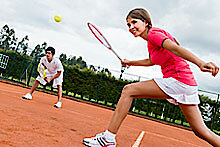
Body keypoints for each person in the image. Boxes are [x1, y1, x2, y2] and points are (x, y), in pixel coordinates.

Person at [83, 8, 220, 147]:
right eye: (128, 25)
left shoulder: (154, 34)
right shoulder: (151, 41)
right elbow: (152, 61)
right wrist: (131, 62)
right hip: (186, 84)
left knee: (128, 90)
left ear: (146, 22)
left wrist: (200, 63)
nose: (131, 27)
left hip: (178, 80)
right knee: (201, 131)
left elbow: (176, 49)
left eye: (134, 22)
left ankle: (108, 138)